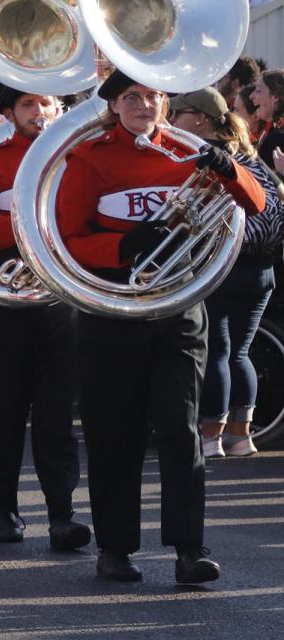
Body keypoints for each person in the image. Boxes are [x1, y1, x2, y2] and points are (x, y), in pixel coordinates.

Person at [56, 70, 266, 585]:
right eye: (133, 97)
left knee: (180, 429)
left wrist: (230, 171)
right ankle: (116, 548)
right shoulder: (89, 158)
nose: (145, 106)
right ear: (115, 106)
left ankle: (189, 549)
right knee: (114, 434)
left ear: (164, 103)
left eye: (152, 96)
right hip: (113, 311)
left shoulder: (188, 153)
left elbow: (257, 205)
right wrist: (122, 246)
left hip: (179, 311)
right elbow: (62, 240)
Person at [0, 85, 91, 549]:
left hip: (62, 301)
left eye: (47, 102)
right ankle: (4, 509)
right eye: (28, 104)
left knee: (57, 412)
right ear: (10, 113)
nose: (40, 111)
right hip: (10, 301)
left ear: (60, 106)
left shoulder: (79, 158)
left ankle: (62, 515)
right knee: (8, 409)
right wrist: (35, 222)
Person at [167, 88, 284, 459]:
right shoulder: (252, 158)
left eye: (178, 113)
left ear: (201, 118)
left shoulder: (208, 159)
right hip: (262, 270)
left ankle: (211, 438)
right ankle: (240, 437)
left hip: (223, 267)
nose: (171, 120)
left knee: (218, 351)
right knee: (241, 352)